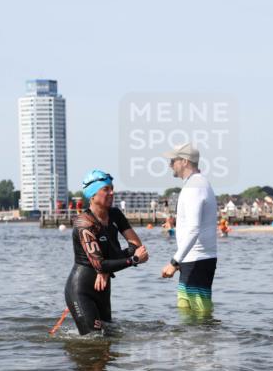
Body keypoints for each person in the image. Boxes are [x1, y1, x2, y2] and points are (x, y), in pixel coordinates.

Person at [65, 170, 148, 335]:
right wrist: (133, 260)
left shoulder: (115, 214)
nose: (112, 192)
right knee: (93, 339)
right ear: (93, 195)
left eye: (112, 188)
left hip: (103, 288)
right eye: (106, 189)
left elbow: (136, 245)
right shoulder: (84, 223)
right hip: (81, 290)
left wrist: (106, 269)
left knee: (108, 339)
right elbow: (101, 263)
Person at [159, 143, 218, 314]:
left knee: (200, 316)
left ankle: (208, 340)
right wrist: (181, 261)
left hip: (198, 260)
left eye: (173, 160)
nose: (170, 164)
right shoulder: (194, 184)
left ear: (184, 161)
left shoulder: (195, 186)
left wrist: (174, 261)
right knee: (185, 312)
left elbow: (194, 229)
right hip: (191, 259)